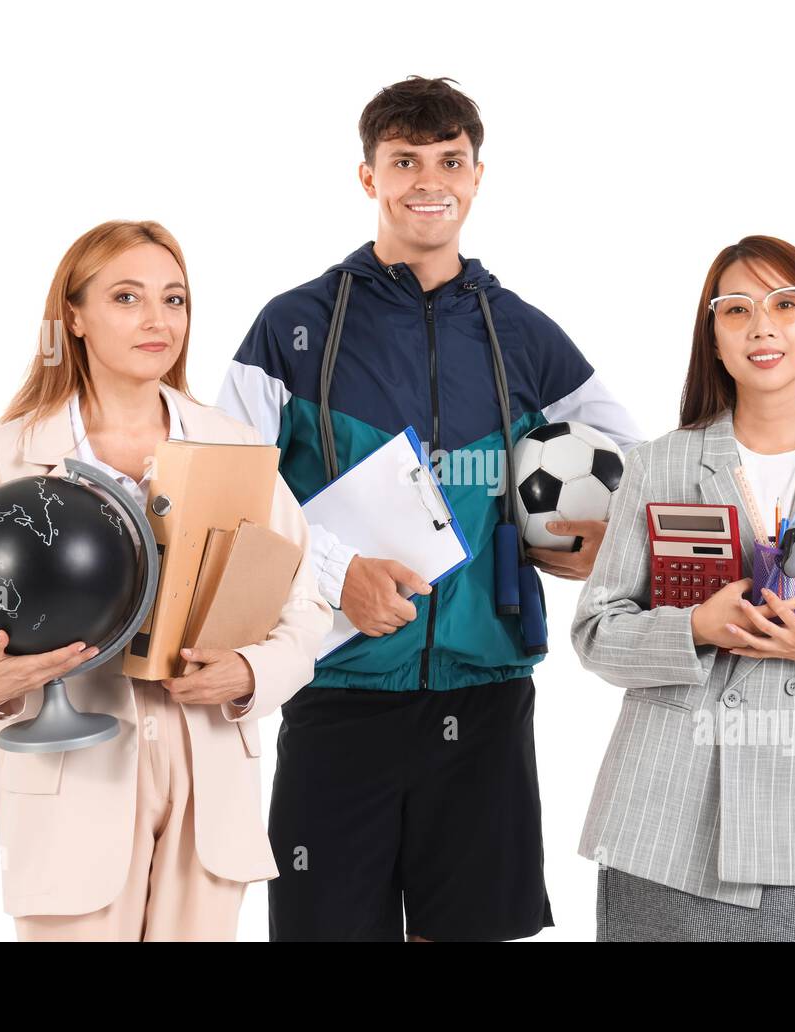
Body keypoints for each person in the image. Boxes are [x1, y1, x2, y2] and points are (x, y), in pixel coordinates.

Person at [217, 76, 645, 941]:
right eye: (404, 160)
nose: (429, 180)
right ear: (368, 177)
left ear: (478, 176)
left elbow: (630, 459)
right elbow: (224, 499)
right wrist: (337, 578)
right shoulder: (291, 327)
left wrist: (593, 541)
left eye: (450, 160)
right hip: (337, 691)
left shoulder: (519, 330)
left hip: (485, 701)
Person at [0, 220, 331, 940]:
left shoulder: (235, 446)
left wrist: (248, 671)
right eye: (126, 297)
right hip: (72, 779)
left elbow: (305, 603)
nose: (158, 320)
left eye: (174, 300)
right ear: (73, 318)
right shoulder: (7, 457)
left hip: (207, 778)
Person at [572, 235, 795, 942]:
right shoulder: (658, 464)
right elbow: (596, 631)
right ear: (713, 340)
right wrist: (694, 629)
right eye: (735, 309)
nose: (761, 325)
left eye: (783, 304)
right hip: (660, 809)